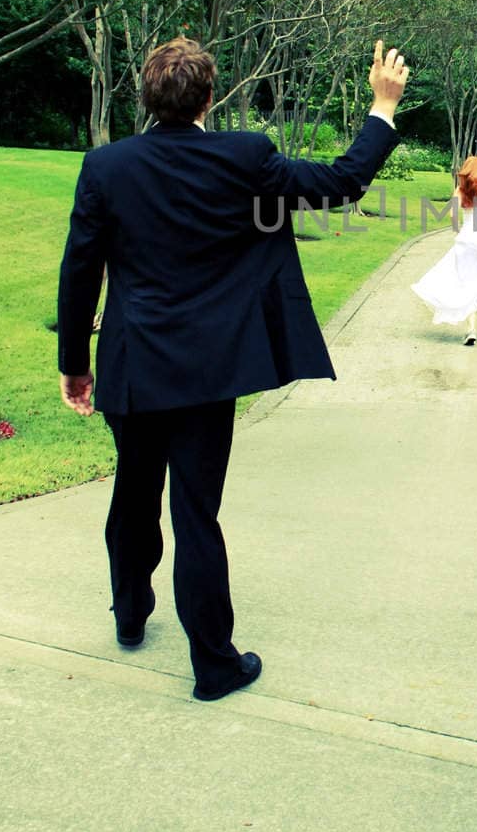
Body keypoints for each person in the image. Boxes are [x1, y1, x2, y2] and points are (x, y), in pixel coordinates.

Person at [57, 36, 409, 701]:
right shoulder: (245, 156)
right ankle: (213, 666)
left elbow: (79, 270)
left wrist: (75, 363)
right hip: (208, 370)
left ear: (144, 97)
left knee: (133, 494)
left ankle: (130, 616)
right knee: (195, 512)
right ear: (209, 98)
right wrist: (381, 107)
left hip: (133, 362)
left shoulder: (106, 166)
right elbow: (339, 181)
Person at [411, 154, 477, 346]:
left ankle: (471, 330)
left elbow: (452, 214)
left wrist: (457, 230)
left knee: (465, 282)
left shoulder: (460, 190)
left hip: (466, 239)